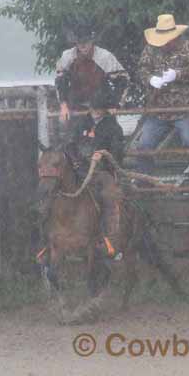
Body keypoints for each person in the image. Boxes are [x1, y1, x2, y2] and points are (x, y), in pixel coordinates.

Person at [137, 14, 189, 180]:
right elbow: (141, 70)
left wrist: (178, 74)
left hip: (186, 108)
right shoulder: (150, 49)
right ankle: (146, 183)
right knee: (143, 146)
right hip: (158, 109)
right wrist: (150, 79)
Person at [65, 89, 125, 260]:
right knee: (58, 192)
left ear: (105, 109)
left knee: (109, 196)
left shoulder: (113, 126)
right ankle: (55, 240)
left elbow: (118, 151)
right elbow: (69, 145)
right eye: (94, 108)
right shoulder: (79, 124)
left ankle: (111, 241)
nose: (96, 111)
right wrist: (76, 161)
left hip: (102, 172)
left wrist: (104, 154)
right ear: (89, 108)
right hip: (78, 171)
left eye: (99, 108)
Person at [55, 24, 130, 128]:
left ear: (91, 41)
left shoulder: (104, 56)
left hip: (101, 105)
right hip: (77, 105)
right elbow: (60, 81)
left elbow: (123, 79)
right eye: (79, 43)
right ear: (75, 43)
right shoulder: (67, 56)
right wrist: (63, 105)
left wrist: (114, 104)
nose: (83, 46)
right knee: (73, 136)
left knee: (108, 134)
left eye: (86, 42)